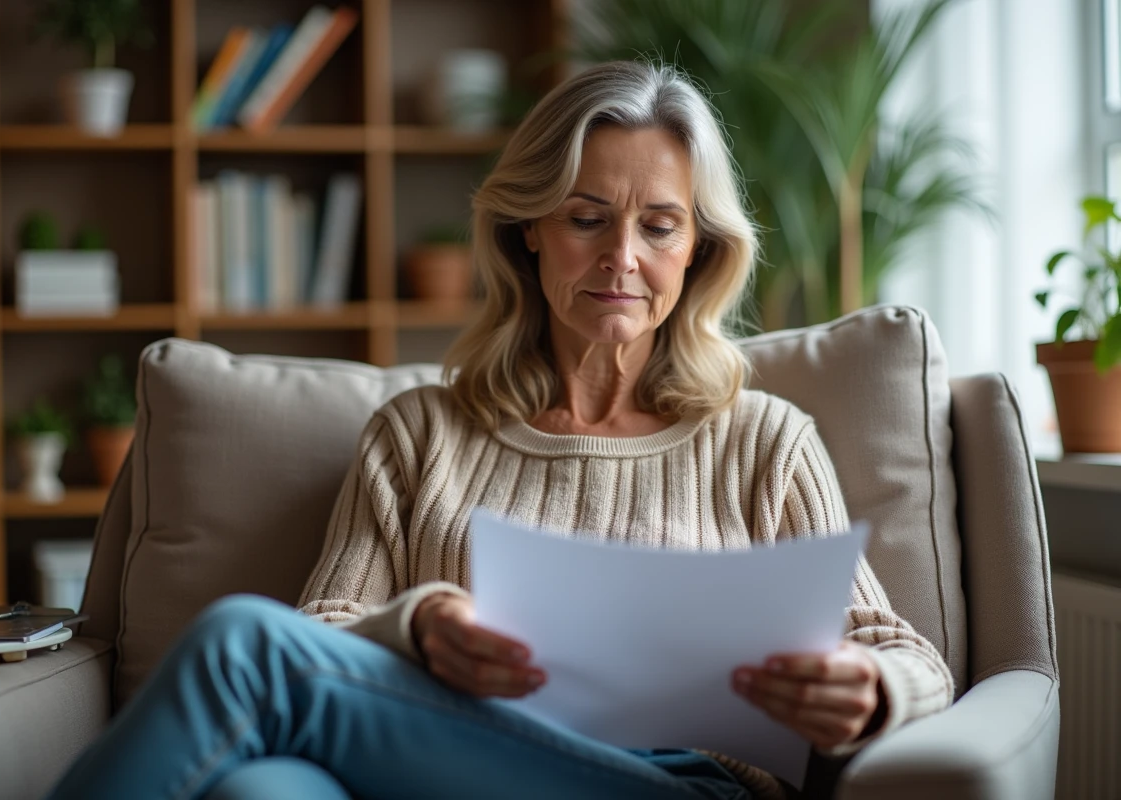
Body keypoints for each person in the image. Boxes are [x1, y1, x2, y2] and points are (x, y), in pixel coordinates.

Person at [46, 60, 953, 800]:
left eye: (660, 227)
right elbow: (328, 628)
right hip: (439, 763)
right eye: (586, 218)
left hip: (672, 784)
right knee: (259, 789)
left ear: (699, 250)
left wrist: (872, 689)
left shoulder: (762, 442)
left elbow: (906, 652)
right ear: (529, 231)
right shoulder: (419, 434)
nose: (622, 258)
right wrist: (418, 625)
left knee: (242, 645)